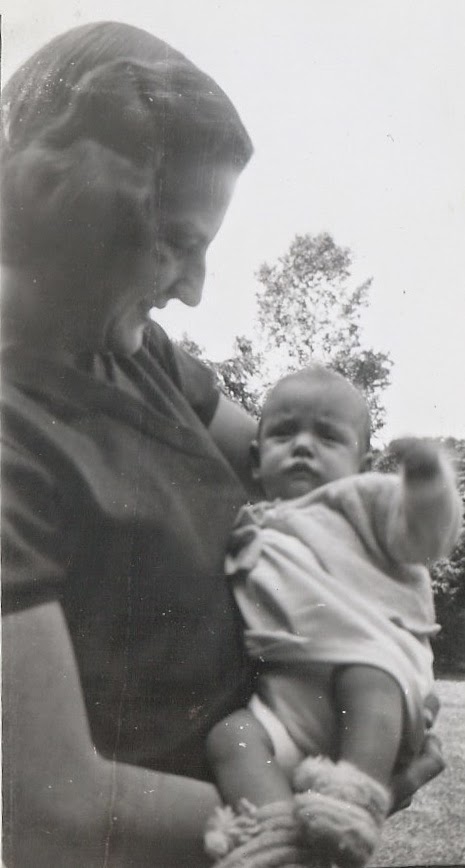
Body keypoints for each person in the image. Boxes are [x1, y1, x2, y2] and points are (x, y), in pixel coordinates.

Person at [0, 21, 446, 868]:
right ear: (71, 216)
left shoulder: (143, 358)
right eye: (176, 244)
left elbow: (307, 475)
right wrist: (329, 807)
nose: (197, 290)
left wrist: (370, 656)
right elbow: (50, 808)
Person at [206, 365, 462, 867]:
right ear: (256, 461)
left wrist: (426, 483)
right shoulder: (247, 523)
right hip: (288, 698)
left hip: (375, 678)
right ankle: (277, 837)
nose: (303, 445)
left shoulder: (357, 502)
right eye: (284, 433)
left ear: (361, 465)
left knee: (365, 675)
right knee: (230, 736)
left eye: (327, 436)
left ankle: (353, 803)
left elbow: (424, 534)